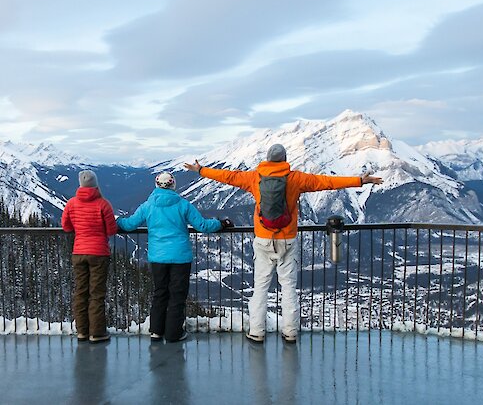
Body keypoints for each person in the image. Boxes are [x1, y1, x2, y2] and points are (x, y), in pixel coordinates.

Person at [184, 143, 382, 344]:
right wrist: (359, 180)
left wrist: (201, 170)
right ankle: (290, 332)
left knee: (260, 288)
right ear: (284, 159)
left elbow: (228, 176)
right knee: (288, 288)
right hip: (287, 239)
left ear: (268, 159)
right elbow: (326, 182)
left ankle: (257, 331)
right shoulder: (296, 178)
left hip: (262, 239)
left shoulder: (254, 177)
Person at [116, 171, 233, 342]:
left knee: (160, 293)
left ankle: (156, 330)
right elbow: (202, 225)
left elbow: (130, 224)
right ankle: (173, 333)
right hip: (180, 257)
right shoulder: (183, 205)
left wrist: (117, 221)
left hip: (157, 257)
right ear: (173, 185)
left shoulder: (147, 206)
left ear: (156, 185)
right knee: (177, 295)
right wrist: (222, 223)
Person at [61, 169, 118, 343]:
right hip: (99, 253)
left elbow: (66, 226)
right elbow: (111, 230)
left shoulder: (71, 204)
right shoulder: (103, 204)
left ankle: (82, 331)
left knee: (80, 292)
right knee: (96, 294)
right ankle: (97, 333)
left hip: (78, 252)